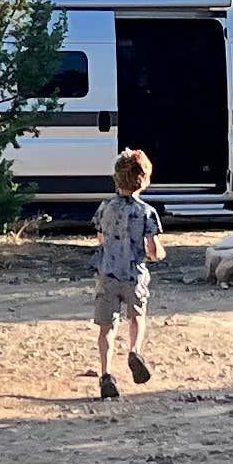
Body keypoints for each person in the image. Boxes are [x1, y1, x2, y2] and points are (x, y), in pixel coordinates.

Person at [92, 147, 164, 399]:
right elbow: (154, 251)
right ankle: (134, 351)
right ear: (143, 180)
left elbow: (100, 238)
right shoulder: (146, 213)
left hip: (108, 274)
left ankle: (106, 375)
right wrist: (158, 254)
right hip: (134, 275)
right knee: (136, 317)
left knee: (106, 328)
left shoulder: (105, 208)